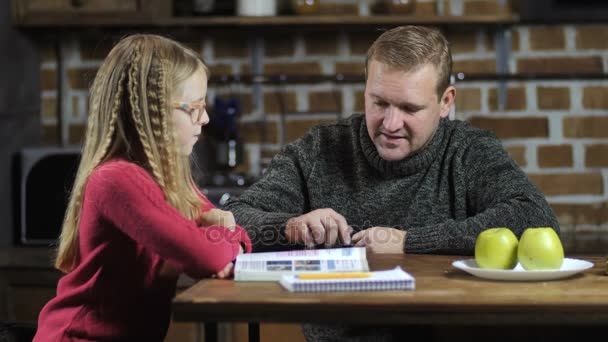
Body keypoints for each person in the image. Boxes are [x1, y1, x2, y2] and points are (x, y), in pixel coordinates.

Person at [224, 26, 559, 341]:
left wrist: (409, 242)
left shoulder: (469, 150)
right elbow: (230, 221)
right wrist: (290, 226)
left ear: (446, 102)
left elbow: (535, 217)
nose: (390, 123)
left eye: (410, 108)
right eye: (379, 102)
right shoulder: (319, 149)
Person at [33, 34, 251, 341]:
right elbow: (209, 257)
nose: (205, 118)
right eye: (195, 107)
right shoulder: (117, 180)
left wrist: (224, 236)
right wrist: (224, 234)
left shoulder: (170, 181)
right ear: (154, 112)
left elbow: (232, 241)